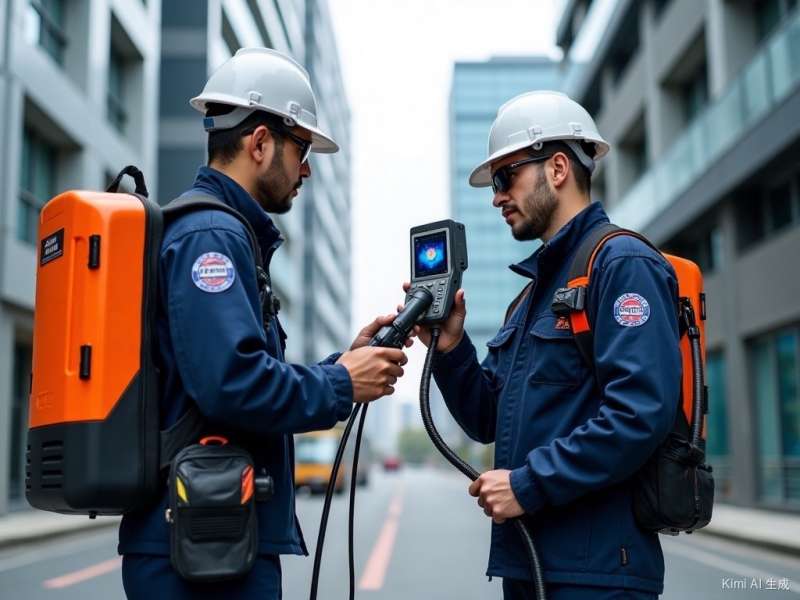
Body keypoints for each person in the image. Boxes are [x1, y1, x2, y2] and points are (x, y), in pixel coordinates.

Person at [119, 47, 407, 599]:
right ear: (259, 143)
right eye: (302, 149)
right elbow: (232, 384)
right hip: (199, 548)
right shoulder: (212, 236)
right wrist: (342, 382)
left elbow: (232, 374)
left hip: (209, 536)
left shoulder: (223, 233)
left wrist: (343, 364)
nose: (306, 169)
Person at [411, 91, 681, 600]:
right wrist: (450, 348)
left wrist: (527, 485)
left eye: (504, 178)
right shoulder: (531, 297)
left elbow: (639, 412)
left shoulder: (622, 264)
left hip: (598, 575)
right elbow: (488, 418)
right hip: (531, 563)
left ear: (557, 168)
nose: (496, 197)